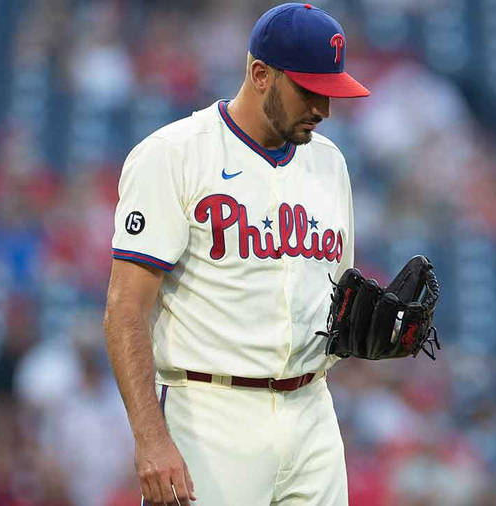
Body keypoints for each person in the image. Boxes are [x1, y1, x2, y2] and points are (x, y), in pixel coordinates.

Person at [102, 3, 369, 505]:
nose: (323, 108)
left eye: (330, 92)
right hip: (209, 413)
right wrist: (150, 438)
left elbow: (334, 294)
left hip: (312, 412)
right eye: (310, 90)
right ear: (260, 74)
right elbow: (124, 309)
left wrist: (366, 334)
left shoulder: (330, 163)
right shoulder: (175, 154)